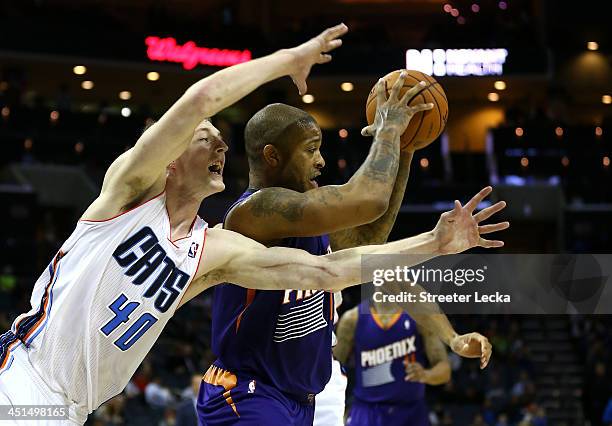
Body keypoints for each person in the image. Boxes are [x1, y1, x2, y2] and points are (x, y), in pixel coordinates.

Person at [197, 71, 506, 425]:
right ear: (272, 157)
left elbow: (368, 239)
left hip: (301, 397)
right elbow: (368, 199)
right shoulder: (254, 212)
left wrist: (405, 150)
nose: (321, 161)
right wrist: (389, 129)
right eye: (311, 150)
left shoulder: (306, 213)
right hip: (248, 392)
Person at [335, 298, 451, 426]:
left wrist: (425, 375)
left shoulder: (419, 315)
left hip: (410, 411)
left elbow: (445, 370)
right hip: (367, 410)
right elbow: (331, 371)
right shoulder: (352, 319)